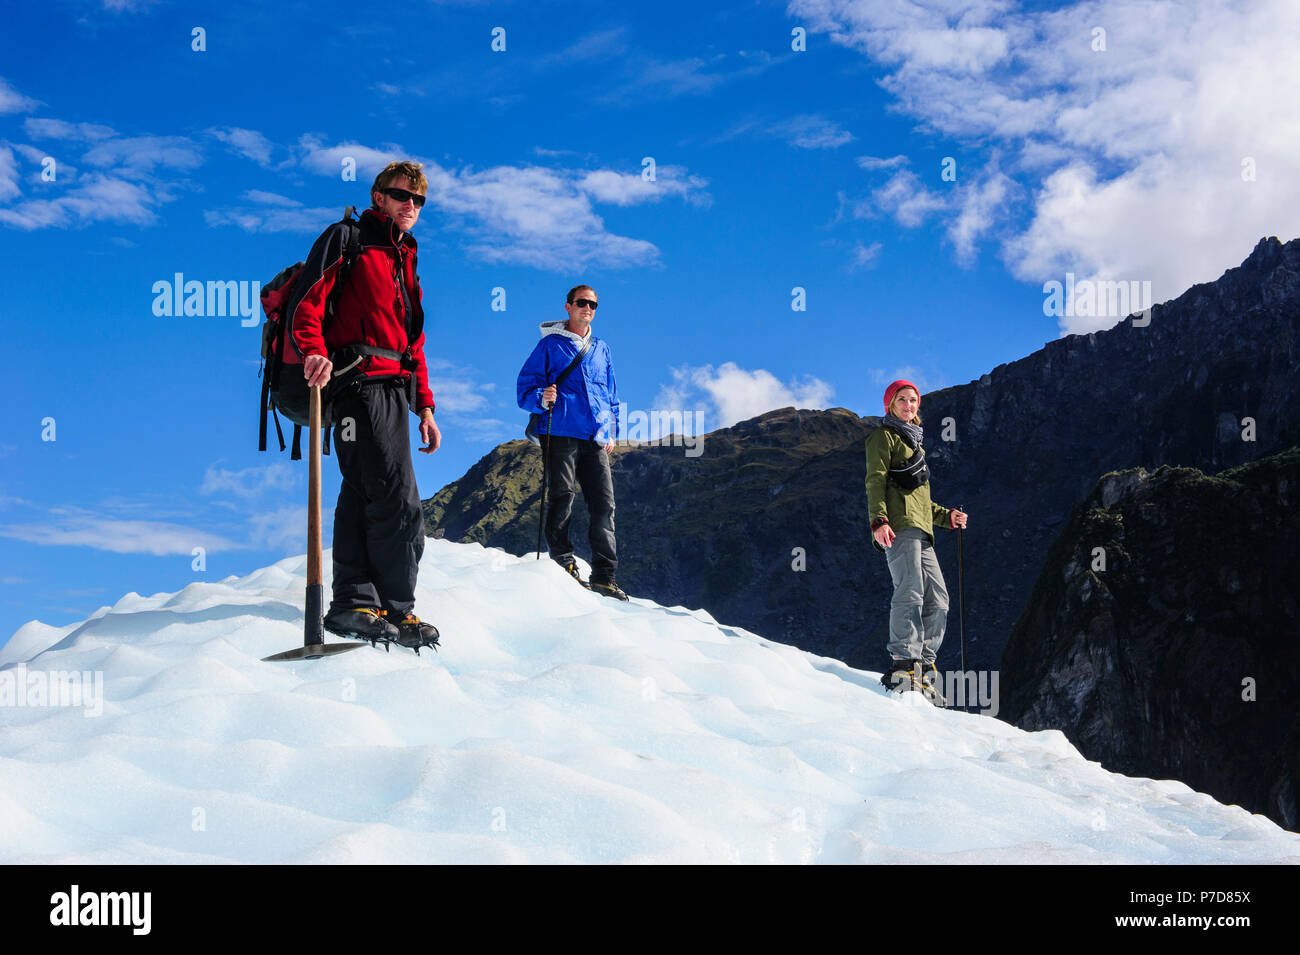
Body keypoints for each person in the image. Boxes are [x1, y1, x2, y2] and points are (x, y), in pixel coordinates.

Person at [289, 160, 441, 648]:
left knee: (362, 493)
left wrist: (426, 407)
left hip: (396, 387)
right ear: (379, 196)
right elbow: (308, 300)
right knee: (397, 498)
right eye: (401, 195)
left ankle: (356, 603)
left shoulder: (405, 257)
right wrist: (313, 349)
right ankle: (397, 609)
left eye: (418, 200)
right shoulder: (347, 237)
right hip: (356, 383)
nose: (410, 206)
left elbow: (412, 340)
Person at [516, 285, 627, 601]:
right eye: (582, 303)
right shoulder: (550, 346)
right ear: (568, 306)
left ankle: (605, 577)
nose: (588, 308)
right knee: (562, 495)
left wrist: (611, 430)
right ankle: (563, 562)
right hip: (560, 429)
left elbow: (611, 394)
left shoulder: (602, 349)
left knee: (604, 505)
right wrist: (541, 397)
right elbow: (524, 388)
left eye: (593, 304)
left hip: (595, 437)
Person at [865, 380, 968, 703]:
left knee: (939, 599)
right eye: (902, 400)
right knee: (910, 591)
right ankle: (903, 665)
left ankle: (923, 667)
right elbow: (875, 480)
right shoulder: (883, 437)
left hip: (923, 531)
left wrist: (946, 517)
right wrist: (878, 520)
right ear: (890, 405)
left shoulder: (916, 445)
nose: (909, 405)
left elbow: (920, 501)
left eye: (913, 400)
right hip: (898, 528)